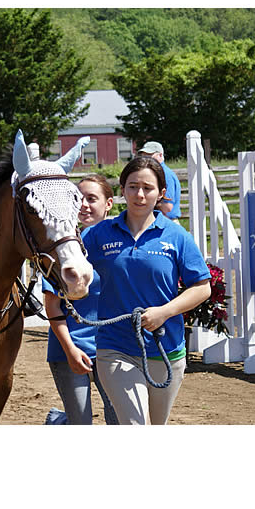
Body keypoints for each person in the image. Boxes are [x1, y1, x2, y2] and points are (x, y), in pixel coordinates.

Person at [82, 156, 211, 424]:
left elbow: (201, 287)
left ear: (161, 193)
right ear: (122, 189)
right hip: (114, 348)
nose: (139, 195)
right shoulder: (98, 234)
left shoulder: (177, 236)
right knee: (135, 425)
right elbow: (70, 269)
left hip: (168, 350)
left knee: (155, 427)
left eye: (148, 188)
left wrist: (165, 312)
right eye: (132, 186)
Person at [43, 174, 118, 425]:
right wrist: (70, 350)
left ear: (108, 203)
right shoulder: (60, 246)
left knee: (119, 419)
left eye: (92, 198)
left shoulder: (120, 243)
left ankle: (57, 421)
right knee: (81, 423)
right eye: (79, 199)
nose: (84, 204)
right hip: (70, 348)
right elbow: (52, 303)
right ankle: (60, 422)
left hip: (113, 347)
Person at [137, 141, 181, 223]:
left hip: (167, 222)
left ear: (160, 155)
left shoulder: (165, 174)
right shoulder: (155, 173)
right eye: (144, 156)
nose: (146, 159)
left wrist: (147, 203)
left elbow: (167, 207)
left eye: (149, 155)